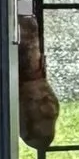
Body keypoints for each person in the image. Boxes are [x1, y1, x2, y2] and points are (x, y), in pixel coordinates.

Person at [17, 11, 60, 151]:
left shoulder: (10, 67)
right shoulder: (34, 71)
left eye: (44, 115)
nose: (51, 107)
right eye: (54, 116)